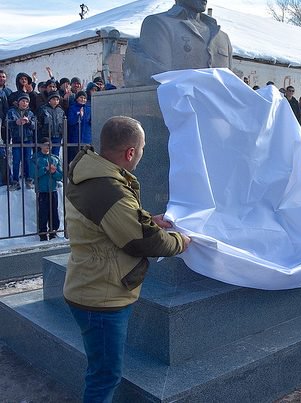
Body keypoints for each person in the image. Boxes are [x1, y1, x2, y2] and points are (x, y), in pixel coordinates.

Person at [63, 116, 191, 402]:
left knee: (100, 370)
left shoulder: (91, 172)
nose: (143, 155)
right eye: (143, 149)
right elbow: (141, 241)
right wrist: (181, 242)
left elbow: (116, 221)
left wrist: (149, 220)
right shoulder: (108, 189)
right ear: (130, 152)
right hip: (101, 297)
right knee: (105, 376)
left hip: (89, 285)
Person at [123, 0, 232, 86]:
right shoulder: (158, 24)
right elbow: (159, 78)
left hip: (221, 112)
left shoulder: (222, 37)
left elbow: (231, 84)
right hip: (177, 108)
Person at [30, 137, 63, 241]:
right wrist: (45, 169)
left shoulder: (55, 158)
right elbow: (32, 174)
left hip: (52, 190)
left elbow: (60, 176)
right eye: (45, 144)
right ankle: (43, 234)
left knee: (54, 211)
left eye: (49, 144)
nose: (48, 146)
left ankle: (53, 232)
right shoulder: (35, 158)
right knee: (43, 212)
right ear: (40, 145)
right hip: (42, 190)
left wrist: (53, 172)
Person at [7, 93, 36, 190]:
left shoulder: (30, 113)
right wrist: (16, 122)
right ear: (18, 102)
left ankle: (29, 179)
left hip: (28, 140)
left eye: (27, 101)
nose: (25, 103)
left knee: (28, 160)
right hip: (16, 140)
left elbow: (34, 126)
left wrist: (29, 122)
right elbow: (6, 123)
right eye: (23, 101)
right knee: (16, 161)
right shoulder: (12, 112)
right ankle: (15, 181)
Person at [36, 91, 65, 156]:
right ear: (49, 100)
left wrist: (61, 133)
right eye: (54, 99)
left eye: (57, 99)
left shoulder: (61, 111)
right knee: (46, 155)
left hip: (57, 136)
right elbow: (39, 123)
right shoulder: (43, 109)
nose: (56, 101)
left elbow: (63, 123)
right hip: (46, 136)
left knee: (55, 155)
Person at [67, 90, 91, 165]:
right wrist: (78, 116)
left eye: (84, 98)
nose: (83, 99)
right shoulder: (72, 108)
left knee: (86, 161)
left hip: (86, 139)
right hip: (75, 139)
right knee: (75, 161)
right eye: (81, 97)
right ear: (77, 98)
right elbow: (70, 121)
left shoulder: (89, 109)